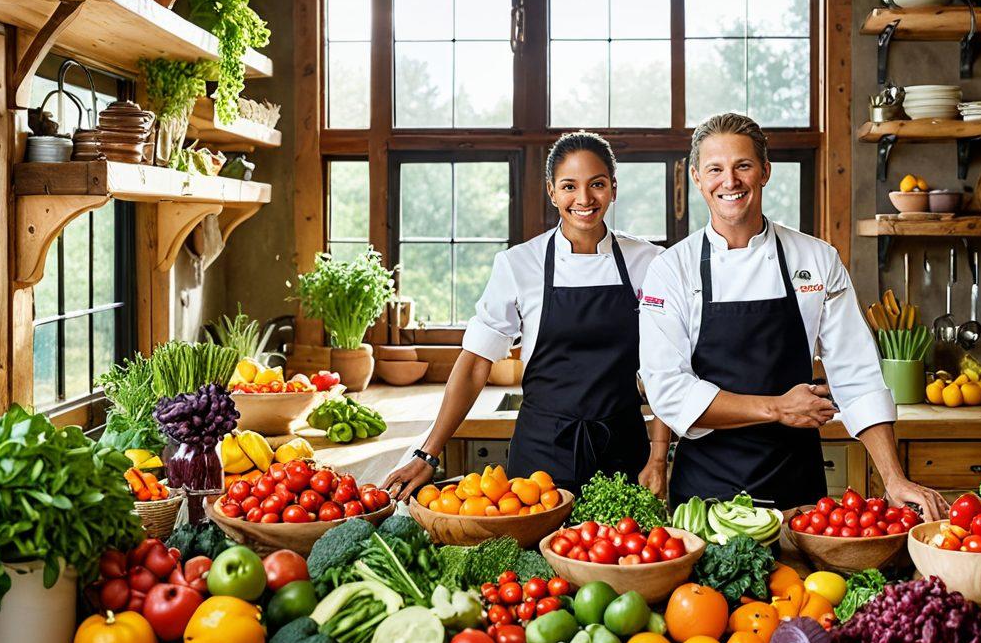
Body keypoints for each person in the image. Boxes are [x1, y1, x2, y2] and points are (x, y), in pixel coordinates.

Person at [638, 113, 947, 521]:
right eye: (715, 169)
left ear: (765, 171)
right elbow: (670, 392)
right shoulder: (671, 269)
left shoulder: (816, 259)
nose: (729, 182)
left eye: (743, 166)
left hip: (798, 490)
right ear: (697, 177)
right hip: (707, 497)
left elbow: (857, 375)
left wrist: (894, 478)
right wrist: (777, 408)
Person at [384, 131, 672, 501]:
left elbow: (666, 365)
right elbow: (475, 364)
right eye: (569, 186)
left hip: (623, 450)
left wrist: (659, 457)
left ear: (613, 188)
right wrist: (428, 452)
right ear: (552, 192)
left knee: (617, 559)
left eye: (596, 184)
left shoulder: (648, 262)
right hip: (541, 458)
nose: (583, 199)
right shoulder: (519, 264)